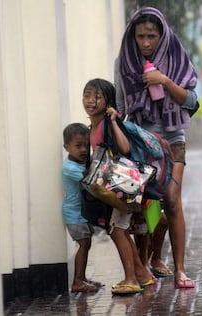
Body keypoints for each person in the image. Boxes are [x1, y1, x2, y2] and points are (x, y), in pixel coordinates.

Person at [115, 7, 199, 288]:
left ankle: (181, 270)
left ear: (162, 35)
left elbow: (191, 103)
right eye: (141, 36)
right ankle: (147, 263)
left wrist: (163, 80)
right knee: (144, 207)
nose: (146, 42)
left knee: (172, 200)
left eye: (151, 36)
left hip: (173, 141)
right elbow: (121, 107)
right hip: (141, 144)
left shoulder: (176, 57)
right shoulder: (125, 62)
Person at [82, 78, 155, 295]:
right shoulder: (93, 125)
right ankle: (142, 275)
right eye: (87, 95)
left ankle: (131, 279)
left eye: (97, 97)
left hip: (121, 187)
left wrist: (113, 121)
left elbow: (124, 147)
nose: (91, 101)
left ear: (108, 101)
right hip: (111, 190)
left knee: (118, 231)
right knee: (118, 230)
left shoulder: (107, 123)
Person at [62, 123, 104, 293]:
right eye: (78, 146)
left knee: (86, 244)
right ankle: (77, 281)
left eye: (86, 145)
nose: (84, 150)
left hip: (81, 213)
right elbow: (91, 182)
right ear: (66, 147)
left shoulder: (80, 163)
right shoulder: (70, 168)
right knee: (84, 244)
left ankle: (82, 278)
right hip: (74, 214)